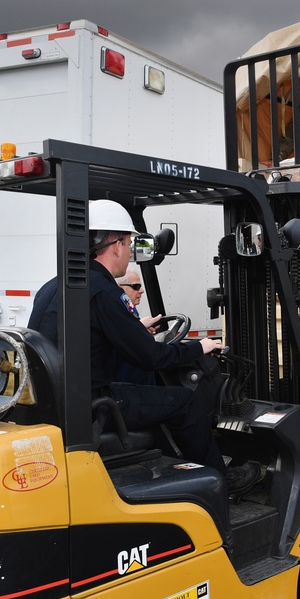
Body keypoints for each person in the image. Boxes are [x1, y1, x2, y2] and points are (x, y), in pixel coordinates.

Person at [29, 200, 264, 499]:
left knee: (153, 398)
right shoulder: (103, 291)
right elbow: (150, 358)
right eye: (129, 245)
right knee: (183, 402)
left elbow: (84, 336)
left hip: (60, 401)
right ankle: (219, 482)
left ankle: (175, 466)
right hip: (93, 406)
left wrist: (136, 331)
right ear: (115, 244)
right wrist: (198, 348)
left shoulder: (56, 286)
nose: (129, 254)